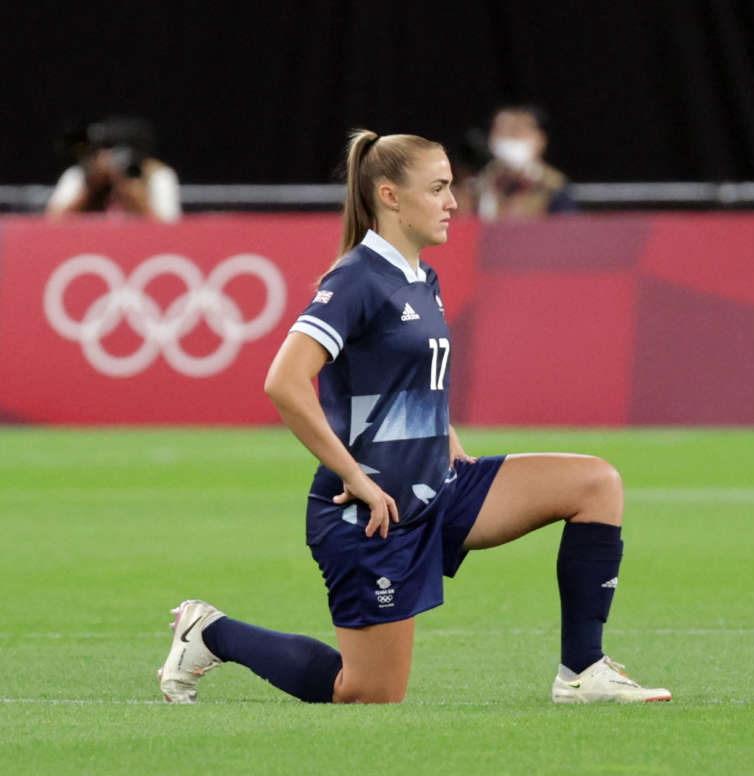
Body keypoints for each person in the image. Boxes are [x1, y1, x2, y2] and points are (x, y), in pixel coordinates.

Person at [157, 129, 670, 704]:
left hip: (439, 486)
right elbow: (283, 382)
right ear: (390, 196)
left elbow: (405, 372)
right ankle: (211, 632)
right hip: (375, 512)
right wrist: (354, 477)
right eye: (439, 188)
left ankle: (582, 672)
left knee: (595, 483)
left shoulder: (422, 276)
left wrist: (443, 431)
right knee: (368, 691)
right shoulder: (356, 279)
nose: (454, 201)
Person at [45, 116, 181, 223]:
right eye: (105, 150)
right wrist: (91, 188)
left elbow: (170, 228)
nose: (111, 158)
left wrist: (128, 189)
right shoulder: (79, 175)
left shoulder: (157, 175)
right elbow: (51, 223)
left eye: (119, 152)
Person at [470, 105, 575, 221]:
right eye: (501, 131)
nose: (509, 138)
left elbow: (566, 231)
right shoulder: (478, 185)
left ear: (540, 140)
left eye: (517, 130)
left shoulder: (555, 187)